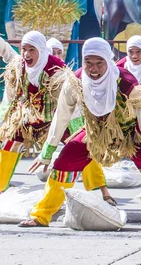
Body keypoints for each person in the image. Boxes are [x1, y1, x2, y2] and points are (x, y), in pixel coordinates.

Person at [19, 38, 141, 230]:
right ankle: (41, 216)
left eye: (99, 63)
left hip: (128, 134)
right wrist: (47, 153)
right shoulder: (75, 82)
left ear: (107, 61)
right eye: (88, 63)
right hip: (93, 133)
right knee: (64, 162)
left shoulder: (126, 84)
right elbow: (61, 116)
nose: (93, 69)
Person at [0, 32, 108, 202]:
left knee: (81, 148)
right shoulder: (19, 65)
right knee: (9, 144)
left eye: (31, 50)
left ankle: (103, 191)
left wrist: (82, 128)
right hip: (29, 119)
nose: (26, 54)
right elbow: (6, 51)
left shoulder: (56, 73)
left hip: (56, 119)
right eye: (24, 49)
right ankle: (0, 187)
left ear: (41, 50)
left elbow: (70, 105)